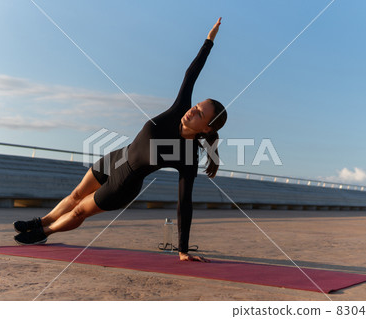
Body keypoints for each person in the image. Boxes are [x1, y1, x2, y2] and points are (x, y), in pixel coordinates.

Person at [13, 18, 227, 263]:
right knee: (74, 196)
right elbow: (193, 72)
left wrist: (183, 250)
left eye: (200, 113)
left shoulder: (187, 156)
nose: (193, 110)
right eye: (197, 105)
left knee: (80, 211)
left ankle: (44, 233)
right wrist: (209, 41)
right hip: (115, 158)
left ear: (207, 128)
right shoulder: (180, 107)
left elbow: (184, 203)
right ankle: (40, 221)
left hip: (124, 185)